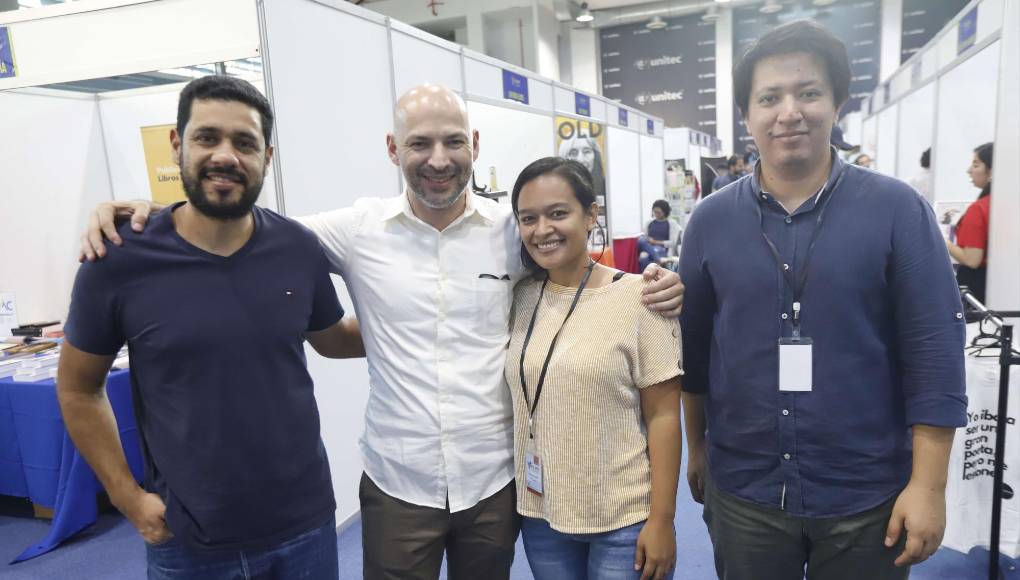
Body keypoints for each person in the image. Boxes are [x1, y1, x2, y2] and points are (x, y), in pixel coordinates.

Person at [79, 84, 685, 580]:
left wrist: (653, 281)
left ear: (473, 145)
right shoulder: (353, 230)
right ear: (395, 149)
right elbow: (241, 224)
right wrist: (154, 215)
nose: (438, 159)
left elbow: (576, 270)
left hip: (494, 480)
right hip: (400, 481)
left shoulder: (513, 228)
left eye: (452, 141)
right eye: (420, 143)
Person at [679, 20, 966, 580]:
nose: (790, 112)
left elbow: (934, 351)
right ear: (747, 116)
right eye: (769, 98)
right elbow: (692, 349)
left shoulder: (898, 210)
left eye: (808, 92)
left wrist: (929, 486)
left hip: (866, 494)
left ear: (837, 104)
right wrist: (697, 448)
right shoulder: (711, 221)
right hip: (745, 490)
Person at [58, 75, 365, 579]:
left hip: (304, 527)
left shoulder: (296, 248)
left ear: (266, 156)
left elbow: (333, 341)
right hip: (188, 540)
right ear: (177, 144)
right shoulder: (118, 258)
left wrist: (427, 324)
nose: (226, 155)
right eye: (207, 137)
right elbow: (77, 388)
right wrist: (126, 496)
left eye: (244, 142)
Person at [507, 157, 682, 580]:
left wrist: (661, 520)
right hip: (541, 513)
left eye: (558, 213)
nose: (542, 229)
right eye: (528, 218)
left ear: (591, 216)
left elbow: (663, 416)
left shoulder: (642, 298)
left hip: (623, 518)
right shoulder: (520, 295)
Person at [946, 142, 993, 303]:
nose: (969, 171)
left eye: (976, 164)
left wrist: (943, 241)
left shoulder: (980, 209)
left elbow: (972, 260)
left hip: (976, 290)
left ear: (992, 171)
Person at [558, 132, 607, 204]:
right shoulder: (557, 189)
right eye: (573, 153)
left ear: (596, 156)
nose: (581, 159)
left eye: (586, 151)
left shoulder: (607, 187)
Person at [637, 200, 681, 271]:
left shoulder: (672, 224)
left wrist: (655, 242)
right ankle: (658, 259)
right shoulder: (649, 223)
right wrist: (648, 240)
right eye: (655, 212)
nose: (656, 214)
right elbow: (645, 237)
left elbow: (672, 243)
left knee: (644, 259)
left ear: (665, 212)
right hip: (649, 248)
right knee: (641, 240)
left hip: (662, 249)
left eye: (658, 212)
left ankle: (656, 259)